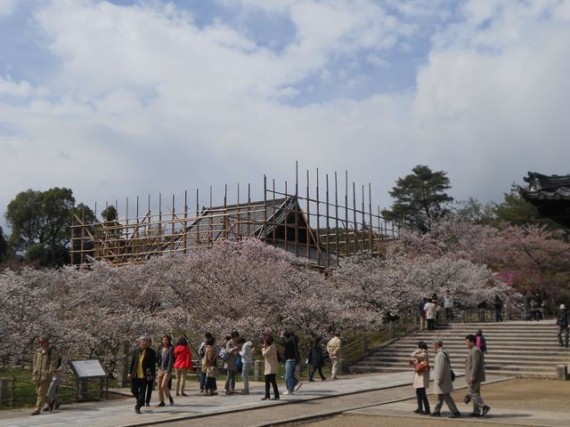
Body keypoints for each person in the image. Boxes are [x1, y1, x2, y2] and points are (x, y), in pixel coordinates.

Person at [431, 339, 461, 418]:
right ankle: (436, 411)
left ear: (437, 345)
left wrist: (438, 379)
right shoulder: (444, 353)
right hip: (444, 378)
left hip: (442, 379)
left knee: (446, 396)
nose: (432, 346)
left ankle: (455, 411)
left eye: (433, 344)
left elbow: (440, 368)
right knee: (440, 396)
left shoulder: (440, 355)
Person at [128, 336, 157, 414]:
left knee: (142, 392)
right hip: (136, 374)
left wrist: (153, 374)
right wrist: (129, 372)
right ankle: (141, 401)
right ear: (140, 342)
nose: (144, 343)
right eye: (143, 341)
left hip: (145, 375)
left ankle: (138, 406)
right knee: (133, 390)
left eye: (146, 341)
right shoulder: (136, 351)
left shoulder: (151, 352)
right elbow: (132, 363)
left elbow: (152, 365)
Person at [31, 336, 59, 416]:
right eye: (40, 342)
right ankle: (50, 402)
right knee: (38, 392)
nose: (41, 344)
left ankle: (37, 409)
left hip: (46, 375)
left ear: (47, 342)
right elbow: (34, 362)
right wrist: (34, 371)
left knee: (41, 392)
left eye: (43, 342)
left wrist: (50, 371)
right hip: (37, 374)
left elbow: (54, 362)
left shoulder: (51, 351)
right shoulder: (38, 351)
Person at [465, 334, 490, 417]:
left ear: (472, 342)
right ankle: (476, 411)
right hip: (474, 375)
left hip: (474, 376)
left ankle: (484, 406)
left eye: (467, 342)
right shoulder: (473, 350)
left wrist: (473, 375)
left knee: (472, 391)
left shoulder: (475, 350)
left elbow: (476, 364)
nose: (466, 344)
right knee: (476, 393)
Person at [410, 341, 430, 415]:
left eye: (418, 347)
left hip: (422, 376)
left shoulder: (424, 353)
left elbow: (413, 355)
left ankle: (427, 409)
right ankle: (420, 408)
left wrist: (417, 351)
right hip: (419, 375)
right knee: (418, 393)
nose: (416, 348)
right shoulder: (421, 353)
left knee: (422, 393)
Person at [156, 334, 175, 406]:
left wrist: (169, 369)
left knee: (163, 385)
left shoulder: (171, 349)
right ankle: (161, 401)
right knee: (159, 387)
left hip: (167, 370)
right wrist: (158, 366)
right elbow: (158, 358)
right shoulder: (160, 348)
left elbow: (171, 360)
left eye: (166, 340)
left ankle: (169, 397)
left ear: (169, 341)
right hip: (160, 369)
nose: (165, 341)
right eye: (163, 340)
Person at [280, 330, 301, 394]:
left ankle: (290, 389)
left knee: (288, 376)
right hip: (292, 360)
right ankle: (293, 386)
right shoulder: (292, 340)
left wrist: (281, 336)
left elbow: (283, 343)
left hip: (290, 360)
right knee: (290, 375)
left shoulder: (290, 341)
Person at [261, 332, 280, 401]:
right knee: (267, 382)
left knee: (273, 382)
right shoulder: (271, 346)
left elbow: (264, 354)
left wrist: (263, 348)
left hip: (271, 367)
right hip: (269, 367)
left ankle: (276, 395)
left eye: (265, 341)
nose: (264, 342)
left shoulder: (271, 347)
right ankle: (267, 395)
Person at [45, 347, 64, 412]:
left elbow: (61, 368)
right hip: (49, 377)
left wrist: (54, 370)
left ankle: (48, 405)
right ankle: (58, 402)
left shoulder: (58, 359)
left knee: (49, 391)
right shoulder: (48, 358)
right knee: (51, 391)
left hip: (55, 377)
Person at [145, 338, 156, 406]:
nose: (147, 344)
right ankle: (142, 399)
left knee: (149, 387)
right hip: (142, 371)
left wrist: (153, 373)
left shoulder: (152, 352)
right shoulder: (140, 350)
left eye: (149, 343)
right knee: (142, 387)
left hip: (149, 371)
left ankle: (147, 401)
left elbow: (153, 363)